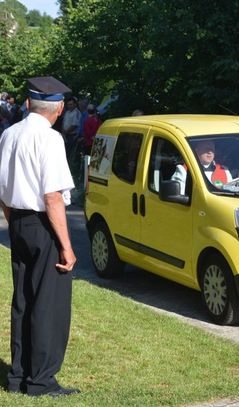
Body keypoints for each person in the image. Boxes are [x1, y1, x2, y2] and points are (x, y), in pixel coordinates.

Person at [0, 76, 79, 397]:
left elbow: (3, 191)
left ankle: (18, 375)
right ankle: (41, 380)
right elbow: (52, 197)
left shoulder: (9, 133)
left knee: (23, 301)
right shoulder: (49, 139)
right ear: (59, 108)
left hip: (17, 221)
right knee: (48, 303)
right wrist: (67, 247)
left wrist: (13, 222)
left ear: (29, 104)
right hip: (44, 224)